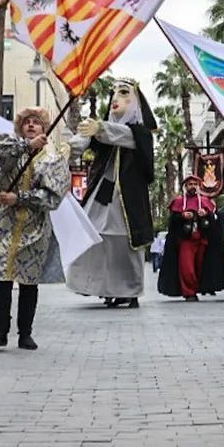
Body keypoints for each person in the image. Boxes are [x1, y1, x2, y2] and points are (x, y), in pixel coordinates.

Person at [0, 108, 67, 350]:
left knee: (29, 281)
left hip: (35, 228)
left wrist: (19, 198)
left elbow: (53, 197)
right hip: (5, 225)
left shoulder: (54, 160)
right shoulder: (11, 150)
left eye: (36, 123)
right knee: (2, 277)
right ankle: (0, 331)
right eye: (26, 122)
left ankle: (25, 333)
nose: (31, 125)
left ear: (44, 129)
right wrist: (26, 147)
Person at [66, 80, 156, 308]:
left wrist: (99, 128)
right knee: (94, 237)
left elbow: (121, 135)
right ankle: (106, 287)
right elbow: (84, 142)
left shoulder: (139, 133)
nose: (116, 98)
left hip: (129, 197)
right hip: (102, 193)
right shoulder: (103, 130)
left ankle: (131, 290)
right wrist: (70, 145)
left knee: (127, 244)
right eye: (113, 94)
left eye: (124, 93)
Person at [158, 175, 224, 301]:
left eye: (195, 184)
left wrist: (206, 214)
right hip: (186, 240)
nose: (193, 187)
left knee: (200, 267)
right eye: (190, 184)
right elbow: (173, 221)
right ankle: (189, 292)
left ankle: (197, 288)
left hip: (202, 239)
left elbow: (214, 221)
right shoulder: (179, 201)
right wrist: (182, 215)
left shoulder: (205, 201)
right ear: (185, 186)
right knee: (187, 267)